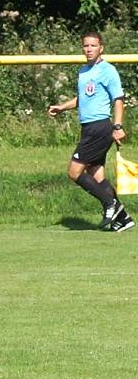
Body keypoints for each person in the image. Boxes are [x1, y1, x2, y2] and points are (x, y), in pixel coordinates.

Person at [49, 31, 133, 232]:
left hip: (99, 128)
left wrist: (118, 126)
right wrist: (62, 107)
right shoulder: (83, 71)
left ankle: (110, 204)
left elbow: (118, 99)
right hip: (88, 128)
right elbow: (82, 99)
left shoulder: (108, 70)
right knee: (97, 177)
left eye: (93, 46)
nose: (89, 49)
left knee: (74, 171)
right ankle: (123, 218)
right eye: (86, 46)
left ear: (101, 48)